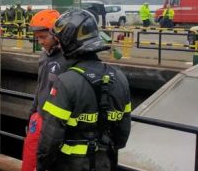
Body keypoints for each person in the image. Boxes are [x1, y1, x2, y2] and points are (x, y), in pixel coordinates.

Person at [37, 9, 131, 171]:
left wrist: (41, 165)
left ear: (68, 43)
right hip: (106, 163)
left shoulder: (66, 83)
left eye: (60, 41)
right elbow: (122, 135)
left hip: (70, 165)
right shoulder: (120, 78)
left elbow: (50, 139)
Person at [21, 9, 75, 171]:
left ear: (57, 35)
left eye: (43, 37)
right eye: (38, 38)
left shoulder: (68, 59)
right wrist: (32, 114)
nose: (40, 42)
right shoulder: (44, 56)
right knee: (29, 162)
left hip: (55, 122)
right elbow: (40, 86)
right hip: (39, 117)